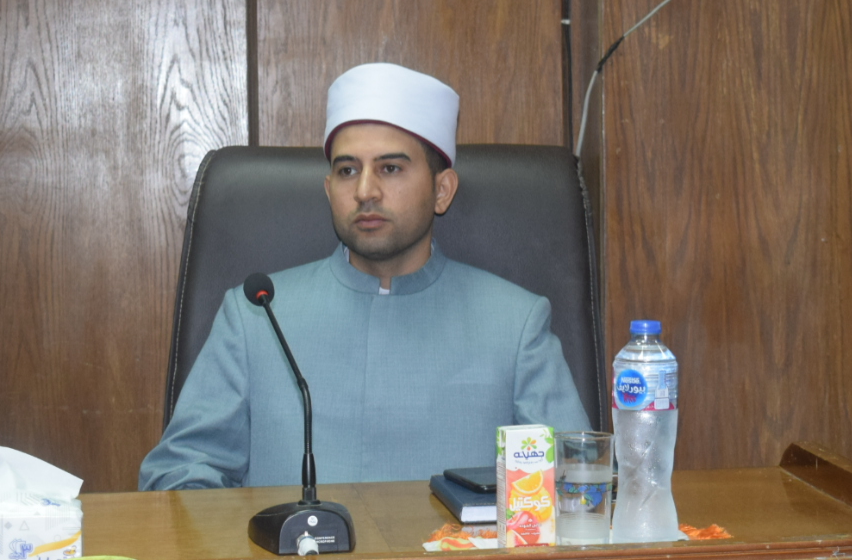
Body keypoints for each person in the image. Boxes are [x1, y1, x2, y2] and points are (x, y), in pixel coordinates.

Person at [140, 62, 590, 491]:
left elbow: (580, 484)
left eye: (390, 168)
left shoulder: (515, 323)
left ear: (442, 190)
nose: (364, 191)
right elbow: (176, 477)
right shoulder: (257, 314)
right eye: (347, 170)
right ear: (328, 189)